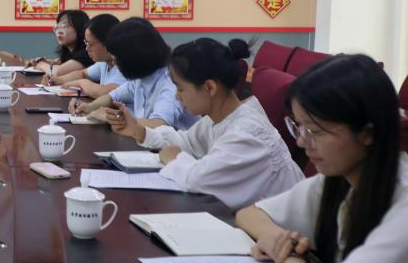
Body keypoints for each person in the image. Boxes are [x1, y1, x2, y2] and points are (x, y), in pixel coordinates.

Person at [236, 55, 408, 263]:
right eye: (298, 127)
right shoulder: (338, 181)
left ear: (368, 132)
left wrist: (288, 255)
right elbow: (249, 214)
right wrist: (276, 238)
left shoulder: (404, 204)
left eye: (315, 131)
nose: (302, 142)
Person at [108, 38, 302, 210]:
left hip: (281, 232)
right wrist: (140, 131)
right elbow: (186, 141)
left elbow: (198, 180)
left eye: (180, 89)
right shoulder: (218, 118)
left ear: (209, 87)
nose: (177, 96)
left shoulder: (247, 134)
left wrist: (175, 158)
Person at [71, 17, 195, 130]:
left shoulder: (171, 82)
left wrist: (113, 118)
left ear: (134, 56)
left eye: (117, 56)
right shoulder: (142, 76)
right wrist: (89, 107)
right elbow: (112, 96)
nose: (114, 61)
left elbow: (158, 124)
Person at [54, 14, 125, 96]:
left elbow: (105, 93)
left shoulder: (124, 67)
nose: (87, 48)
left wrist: (81, 83)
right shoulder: (104, 63)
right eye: (86, 43)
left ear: (107, 43)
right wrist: (58, 80)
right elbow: (83, 74)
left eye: (90, 44)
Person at [28, 10, 93, 79]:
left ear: (80, 28)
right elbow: (59, 63)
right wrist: (47, 61)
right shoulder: (69, 52)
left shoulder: (87, 52)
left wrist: (41, 64)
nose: (59, 31)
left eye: (65, 26)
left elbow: (57, 72)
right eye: (57, 27)